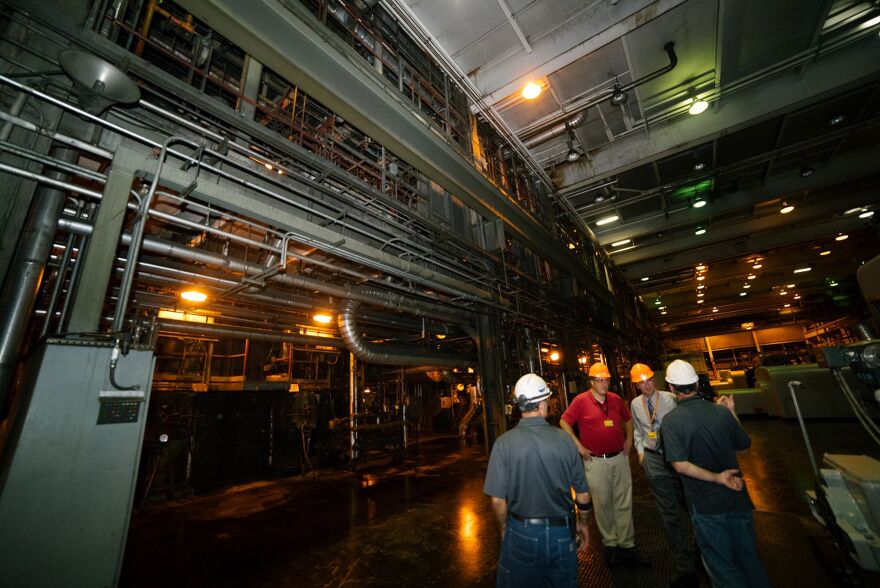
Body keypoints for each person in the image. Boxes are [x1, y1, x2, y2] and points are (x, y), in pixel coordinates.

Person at [661, 359, 772, 588]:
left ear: (671, 388)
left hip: (706, 506)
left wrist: (717, 477)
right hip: (738, 500)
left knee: (723, 568)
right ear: (696, 383)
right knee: (750, 562)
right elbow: (744, 443)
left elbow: (680, 465)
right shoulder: (721, 412)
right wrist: (732, 412)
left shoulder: (671, 421)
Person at [484, 373, 592, 587]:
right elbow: (583, 495)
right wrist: (583, 524)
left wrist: (504, 527)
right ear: (543, 404)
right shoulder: (565, 441)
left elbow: (497, 501)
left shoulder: (503, 443)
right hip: (562, 531)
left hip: (521, 532)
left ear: (519, 406)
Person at [560, 362, 647, 566]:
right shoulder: (581, 401)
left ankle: (627, 545)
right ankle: (611, 545)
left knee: (623, 502)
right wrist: (579, 446)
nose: (604, 384)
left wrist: (629, 440)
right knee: (602, 504)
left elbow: (627, 420)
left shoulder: (615, 400)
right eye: (599, 380)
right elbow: (564, 422)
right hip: (596, 462)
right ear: (591, 382)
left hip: (620, 458)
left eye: (606, 379)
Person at [629, 363, 696, 587]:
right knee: (669, 513)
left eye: (649, 380)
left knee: (691, 506)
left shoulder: (671, 398)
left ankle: (703, 551)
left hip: (677, 457)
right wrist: (641, 454)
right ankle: (684, 565)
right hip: (654, 460)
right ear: (635, 385)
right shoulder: (635, 404)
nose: (646, 385)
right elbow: (639, 431)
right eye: (641, 382)